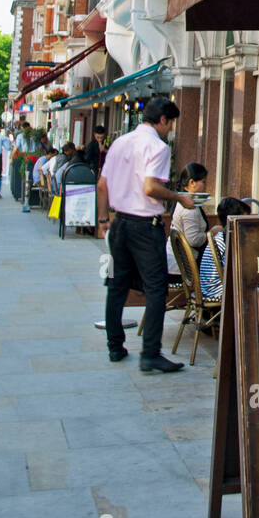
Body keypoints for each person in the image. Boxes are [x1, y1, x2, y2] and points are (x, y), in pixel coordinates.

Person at [97, 96, 195, 374]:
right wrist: (179, 197)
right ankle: (150, 353)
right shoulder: (158, 147)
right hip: (144, 226)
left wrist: (105, 219)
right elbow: (150, 187)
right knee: (156, 289)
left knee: (116, 285)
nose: (171, 129)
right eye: (171, 123)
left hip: (120, 225)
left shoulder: (120, 142)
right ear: (163, 120)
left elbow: (102, 185)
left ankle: (115, 345)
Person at [198, 196, 247, 300]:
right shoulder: (227, 239)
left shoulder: (221, 235)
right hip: (215, 290)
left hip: (208, 288)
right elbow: (231, 271)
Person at [166, 163, 210, 277]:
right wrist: (211, 234)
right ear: (192, 183)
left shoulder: (184, 202)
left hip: (176, 264)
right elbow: (193, 239)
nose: (205, 186)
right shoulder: (189, 208)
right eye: (203, 182)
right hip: (181, 268)